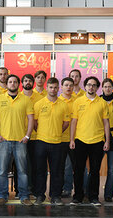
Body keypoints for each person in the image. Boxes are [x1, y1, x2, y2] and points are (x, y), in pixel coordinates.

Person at [0, 74, 34, 206]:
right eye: (10, 82)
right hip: (4, 141)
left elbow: (31, 118)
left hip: (21, 141)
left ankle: (24, 196)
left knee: (22, 171)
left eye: (15, 82)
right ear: (7, 84)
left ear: (18, 84)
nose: (13, 84)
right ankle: (2, 196)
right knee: (2, 171)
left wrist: (27, 135)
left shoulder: (26, 100)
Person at [70, 76, 110, 206]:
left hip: (97, 141)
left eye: (94, 85)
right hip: (80, 140)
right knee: (78, 170)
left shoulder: (102, 103)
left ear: (97, 88)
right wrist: (72, 139)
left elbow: (106, 123)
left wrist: (107, 141)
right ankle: (77, 197)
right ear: (85, 86)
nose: (91, 87)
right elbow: (74, 122)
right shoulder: (78, 101)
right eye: (89, 85)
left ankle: (93, 197)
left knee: (95, 171)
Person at [34, 77, 70, 205]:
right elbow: (34, 122)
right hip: (41, 142)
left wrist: (57, 131)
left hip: (57, 143)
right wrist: (43, 131)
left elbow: (66, 122)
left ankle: (55, 196)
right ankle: (39, 195)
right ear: (47, 88)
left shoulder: (63, 104)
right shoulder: (39, 104)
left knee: (57, 171)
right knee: (40, 170)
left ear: (58, 89)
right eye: (50, 87)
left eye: (55, 87)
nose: (53, 89)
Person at [20, 74, 43, 196]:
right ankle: (21, 190)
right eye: (25, 80)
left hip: (35, 136)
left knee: (35, 164)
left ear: (33, 83)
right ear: (22, 83)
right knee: (21, 165)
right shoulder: (17, 97)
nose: (27, 82)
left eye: (30, 81)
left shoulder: (40, 98)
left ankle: (33, 189)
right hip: (20, 135)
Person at [100, 78, 113, 202]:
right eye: (105, 86)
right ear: (102, 88)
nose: (107, 89)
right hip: (100, 137)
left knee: (112, 169)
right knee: (95, 167)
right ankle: (92, 193)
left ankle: (108, 194)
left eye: (109, 86)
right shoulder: (98, 101)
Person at [58, 77, 76, 198]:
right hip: (61, 139)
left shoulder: (78, 100)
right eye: (66, 85)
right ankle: (66, 188)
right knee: (64, 166)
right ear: (62, 87)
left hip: (75, 138)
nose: (68, 87)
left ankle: (82, 190)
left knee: (79, 167)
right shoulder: (58, 100)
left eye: (71, 85)